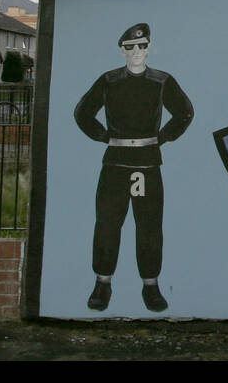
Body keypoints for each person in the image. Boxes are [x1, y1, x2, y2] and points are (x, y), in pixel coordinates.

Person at [74, 23, 194, 312]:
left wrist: (163, 137)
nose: (136, 52)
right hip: (115, 163)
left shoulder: (162, 80)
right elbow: (82, 112)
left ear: (149, 48)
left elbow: (185, 112)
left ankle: (151, 286)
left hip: (148, 164)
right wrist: (104, 136)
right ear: (122, 50)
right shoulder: (109, 80)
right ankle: (102, 283)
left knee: (149, 226)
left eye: (142, 46)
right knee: (107, 224)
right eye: (130, 47)